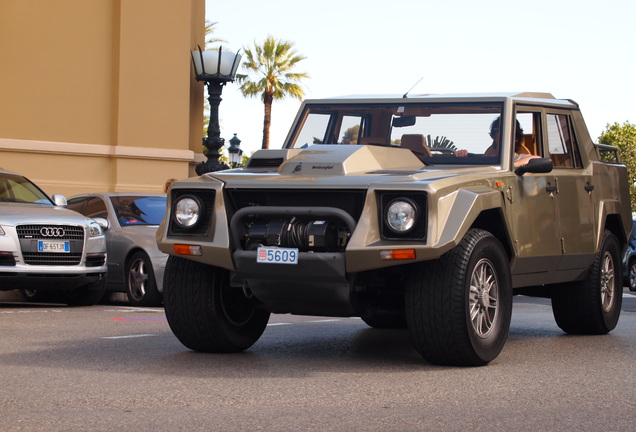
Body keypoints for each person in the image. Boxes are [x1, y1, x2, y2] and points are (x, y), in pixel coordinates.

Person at [457, 117, 539, 167]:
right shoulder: (488, 159)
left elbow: (538, 159)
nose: (503, 134)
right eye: (499, 130)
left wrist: (514, 165)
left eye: (508, 131)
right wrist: (462, 155)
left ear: (516, 138)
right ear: (493, 135)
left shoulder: (519, 158)